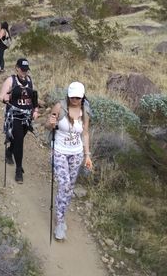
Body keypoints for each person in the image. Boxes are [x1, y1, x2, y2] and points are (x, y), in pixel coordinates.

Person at [47, 81, 92, 240]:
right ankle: (59, 222)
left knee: (70, 187)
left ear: (82, 97)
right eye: (72, 96)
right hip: (59, 150)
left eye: (78, 97)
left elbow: (85, 133)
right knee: (64, 183)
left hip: (77, 153)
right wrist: (51, 123)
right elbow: (49, 124)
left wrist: (87, 155)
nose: (75, 99)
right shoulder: (59, 107)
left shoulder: (85, 110)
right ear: (68, 95)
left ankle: (62, 214)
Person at [0, 58, 39, 183]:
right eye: (22, 70)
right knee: (19, 140)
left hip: (27, 117)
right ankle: (18, 169)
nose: (24, 72)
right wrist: (9, 96)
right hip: (14, 116)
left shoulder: (30, 81)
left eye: (26, 70)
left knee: (17, 139)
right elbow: (1, 96)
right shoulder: (11, 80)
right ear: (17, 68)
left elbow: (34, 98)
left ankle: (10, 150)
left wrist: (36, 110)